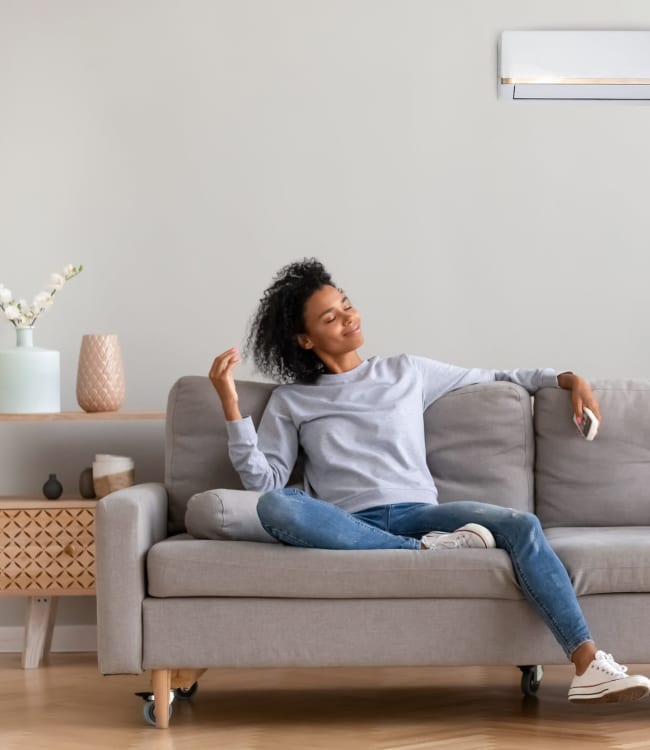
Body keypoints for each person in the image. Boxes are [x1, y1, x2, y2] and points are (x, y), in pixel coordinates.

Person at [209, 258, 650, 704]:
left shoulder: (406, 372)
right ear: (305, 340)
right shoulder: (291, 400)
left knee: (522, 524)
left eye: (346, 305)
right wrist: (231, 404)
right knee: (276, 507)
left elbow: (500, 377)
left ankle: (588, 663)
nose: (348, 318)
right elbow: (265, 483)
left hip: (422, 513)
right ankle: (422, 550)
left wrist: (572, 380)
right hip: (347, 526)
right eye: (330, 317)